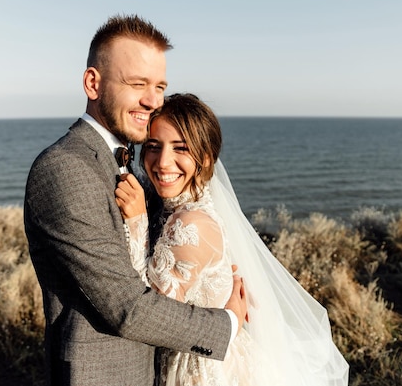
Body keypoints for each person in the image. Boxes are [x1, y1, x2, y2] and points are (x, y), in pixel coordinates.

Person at [24, 15, 248, 386]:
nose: (152, 100)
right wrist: (228, 322)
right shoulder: (65, 169)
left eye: (159, 86)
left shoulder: (133, 163)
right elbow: (128, 307)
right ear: (93, 83)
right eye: (137, 83)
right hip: (104, 375)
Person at [115, 93, 350, 385]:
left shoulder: (190, 224)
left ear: (205, 158)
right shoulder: (189, 208)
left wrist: (136, 221)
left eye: (181, 148)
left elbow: (148, 313)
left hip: (200, 372)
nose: (163, 162)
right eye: (153, 146)